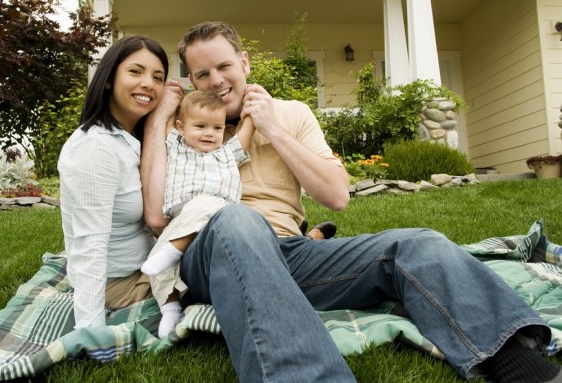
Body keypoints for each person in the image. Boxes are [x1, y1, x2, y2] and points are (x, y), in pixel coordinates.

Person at [141, 20, 562, 383]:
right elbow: (158, 217)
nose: (216, 81)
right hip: (209, 255)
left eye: (224, 66)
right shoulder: (181, 129)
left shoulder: (291, 113)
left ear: (245, 62)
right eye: (202, 74)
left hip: (291, 254)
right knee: (236, 218)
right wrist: (160, 120)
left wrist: (272, 127)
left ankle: (513, 359)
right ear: (192, 82)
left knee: (418, 244)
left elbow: (337, 196)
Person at [58, 35, 183, 328]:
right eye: (135, 71)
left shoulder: (130, 139)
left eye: (158, 77)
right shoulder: (95, 147)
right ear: (109, 79)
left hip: (146, 266)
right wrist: (90, 330)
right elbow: (91, 243)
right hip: (119, 284)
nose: (148, 84)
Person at [140, 89, 255, 338]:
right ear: (182, 127)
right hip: (183, 219)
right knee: (157, 262)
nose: (209, 133)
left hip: (217, 217)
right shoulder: (176, 146)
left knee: (205, 204)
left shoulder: (226, 153)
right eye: (200, 126)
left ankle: (174, 250)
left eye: (216, 128)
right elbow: (167, 121)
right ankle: (170, 307)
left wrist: (252, 111)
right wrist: (170, 98)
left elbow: (246, 133)